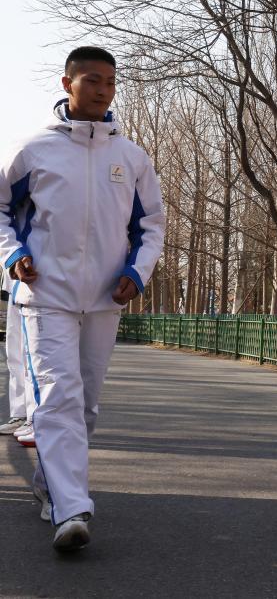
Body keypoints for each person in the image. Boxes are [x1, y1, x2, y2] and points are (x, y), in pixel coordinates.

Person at [0, 46, 167, 551]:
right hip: (44, 294)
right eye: (92, 80)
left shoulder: (131, 157)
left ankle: (52, 488)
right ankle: (72, 509)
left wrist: (137, 273)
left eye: (110, 82)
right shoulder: (34, 150)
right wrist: (13, 255)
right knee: (58, 397)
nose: (102, 89)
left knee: (86, 404)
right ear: (67, 83)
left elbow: (151, 225)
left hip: (103, 299)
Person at [1, 284, 30, 437]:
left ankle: (35, 417)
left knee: (31, 356)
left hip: (38, 288)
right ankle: (20, 413)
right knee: (15, 354)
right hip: (14, 286)